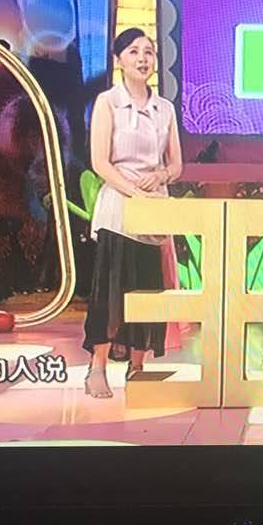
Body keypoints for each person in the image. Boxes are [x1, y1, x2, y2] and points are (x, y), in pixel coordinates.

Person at [83, 28, 182, 399]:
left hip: (154, 212)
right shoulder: (108, 102)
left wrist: (161, 176)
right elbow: (99, 162)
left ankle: (138, 368)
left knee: (148, 291)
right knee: (111, 293)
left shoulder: (165, 109)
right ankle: (97, 368)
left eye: (149, 52)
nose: (143, 59)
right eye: (134, 52)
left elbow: (176, 165)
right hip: (118, 211)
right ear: (118, 60)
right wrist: (133, 191)